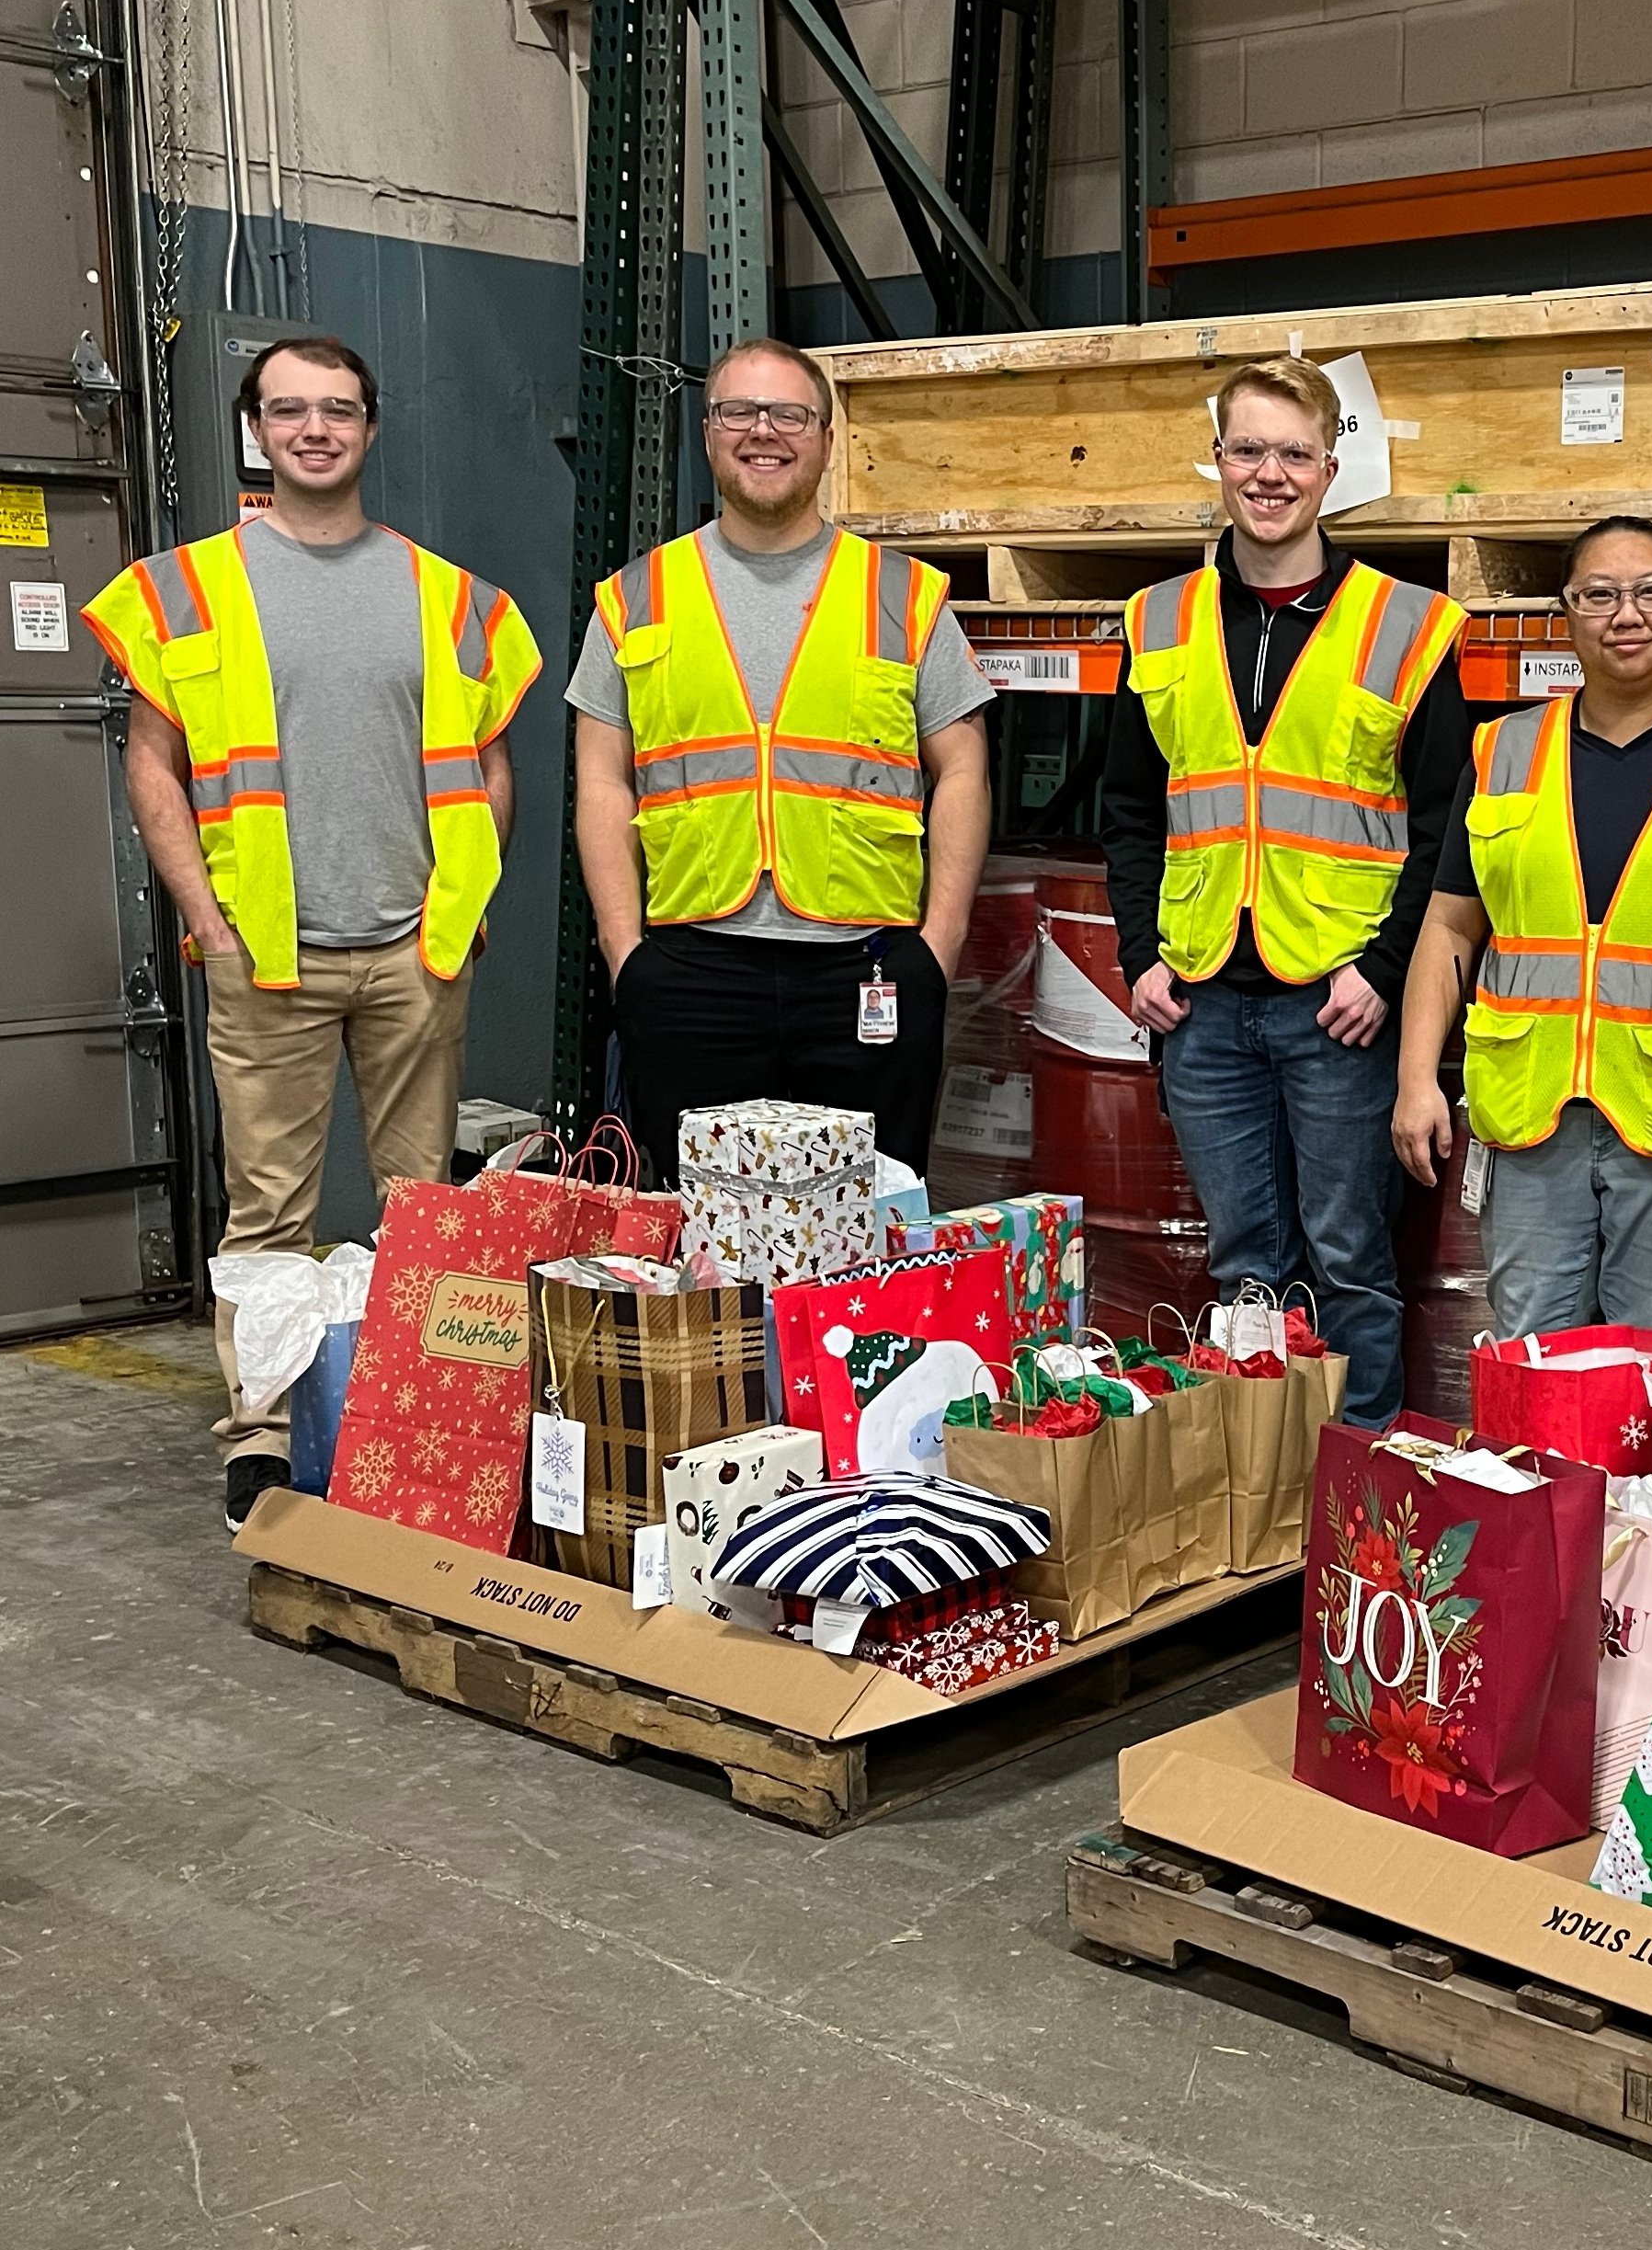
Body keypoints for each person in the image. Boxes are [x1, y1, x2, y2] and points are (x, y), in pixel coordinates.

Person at [85, 334, 541, 1532]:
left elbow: (490, 767)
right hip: (265, 954)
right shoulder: (184, 589)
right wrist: (207, 920)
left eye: (337, 409)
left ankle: (409, 1423)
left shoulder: (449, 597)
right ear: (258, 430)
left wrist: (462, 903)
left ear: (370, 427)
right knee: (270, 1219)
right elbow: (153, 766)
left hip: (413, 954)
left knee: (419, 1209)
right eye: (288, 410)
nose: (315, 429)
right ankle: (262, 1438)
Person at [1097, 357, 1469, 1427]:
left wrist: (1384, 972)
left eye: (1294, 453)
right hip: (1202, 1001)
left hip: (1337, 1005)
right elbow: (1129, 808)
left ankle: (1359, 1482)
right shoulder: (1156, 621)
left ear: (1329, 469)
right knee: (1244, 1269)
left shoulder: (1408, 625)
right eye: (1248, 449)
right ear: (1216, 461)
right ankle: (1260, 1482)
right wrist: (1139, 954)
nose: (1270, 474)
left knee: (1350, 1263)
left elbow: (1445, 834)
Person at [571, 337, 995, 1180]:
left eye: (790, 414)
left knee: (867, 1220)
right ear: (707, 431)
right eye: (739, 411)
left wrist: (936, 949)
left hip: (865, 967)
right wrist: (627, 955)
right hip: (691, 968)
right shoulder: (635, 597)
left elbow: (963, 772)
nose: (763, 431)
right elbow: (601, 782)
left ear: (827, 440)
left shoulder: (904, 595)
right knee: (700, 1225)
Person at [1389, 518, 1652, 1347]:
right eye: (1598, 595)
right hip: (1530, 1112)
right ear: (1565, 613)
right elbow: (1450, 925)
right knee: (1529, 1353)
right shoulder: (1503, 751)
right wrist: (1416, 1078)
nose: (1626, 614)